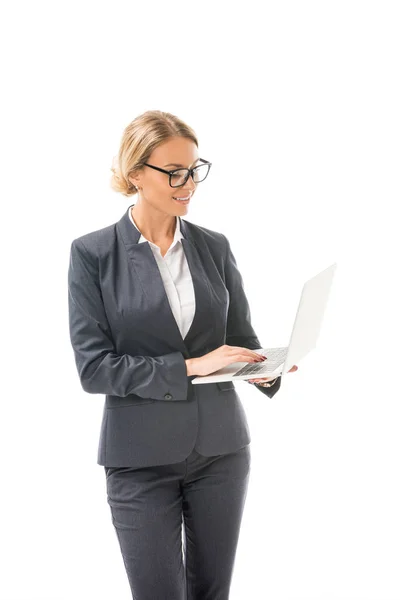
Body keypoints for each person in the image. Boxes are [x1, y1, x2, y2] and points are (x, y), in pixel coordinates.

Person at [67, 109, 298, 599]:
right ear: (135, 174)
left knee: (213, 593)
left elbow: (240, 337)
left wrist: (265, 369)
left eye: (194, 169)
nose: (188, 182)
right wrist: (193, 366)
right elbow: (94, 368)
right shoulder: (94, 254)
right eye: (174, 172)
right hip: (139, 459)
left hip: (221, 453)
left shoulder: (214, 246)